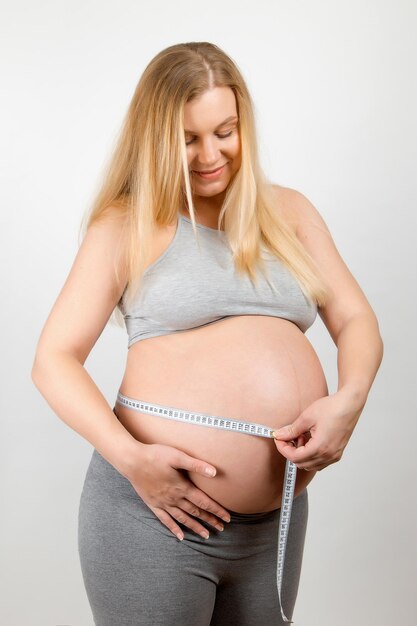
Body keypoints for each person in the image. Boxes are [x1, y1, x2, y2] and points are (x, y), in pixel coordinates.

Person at [31, 41, 383, 625]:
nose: (210, 154)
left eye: (225, 131)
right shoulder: (128, 224)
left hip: (272, 525)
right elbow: (54, 359)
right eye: (187, 138)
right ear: (154, 138)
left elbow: (355, 318)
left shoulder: (290, 213)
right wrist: (132, 458)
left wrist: (350, 400)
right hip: (154, 513)